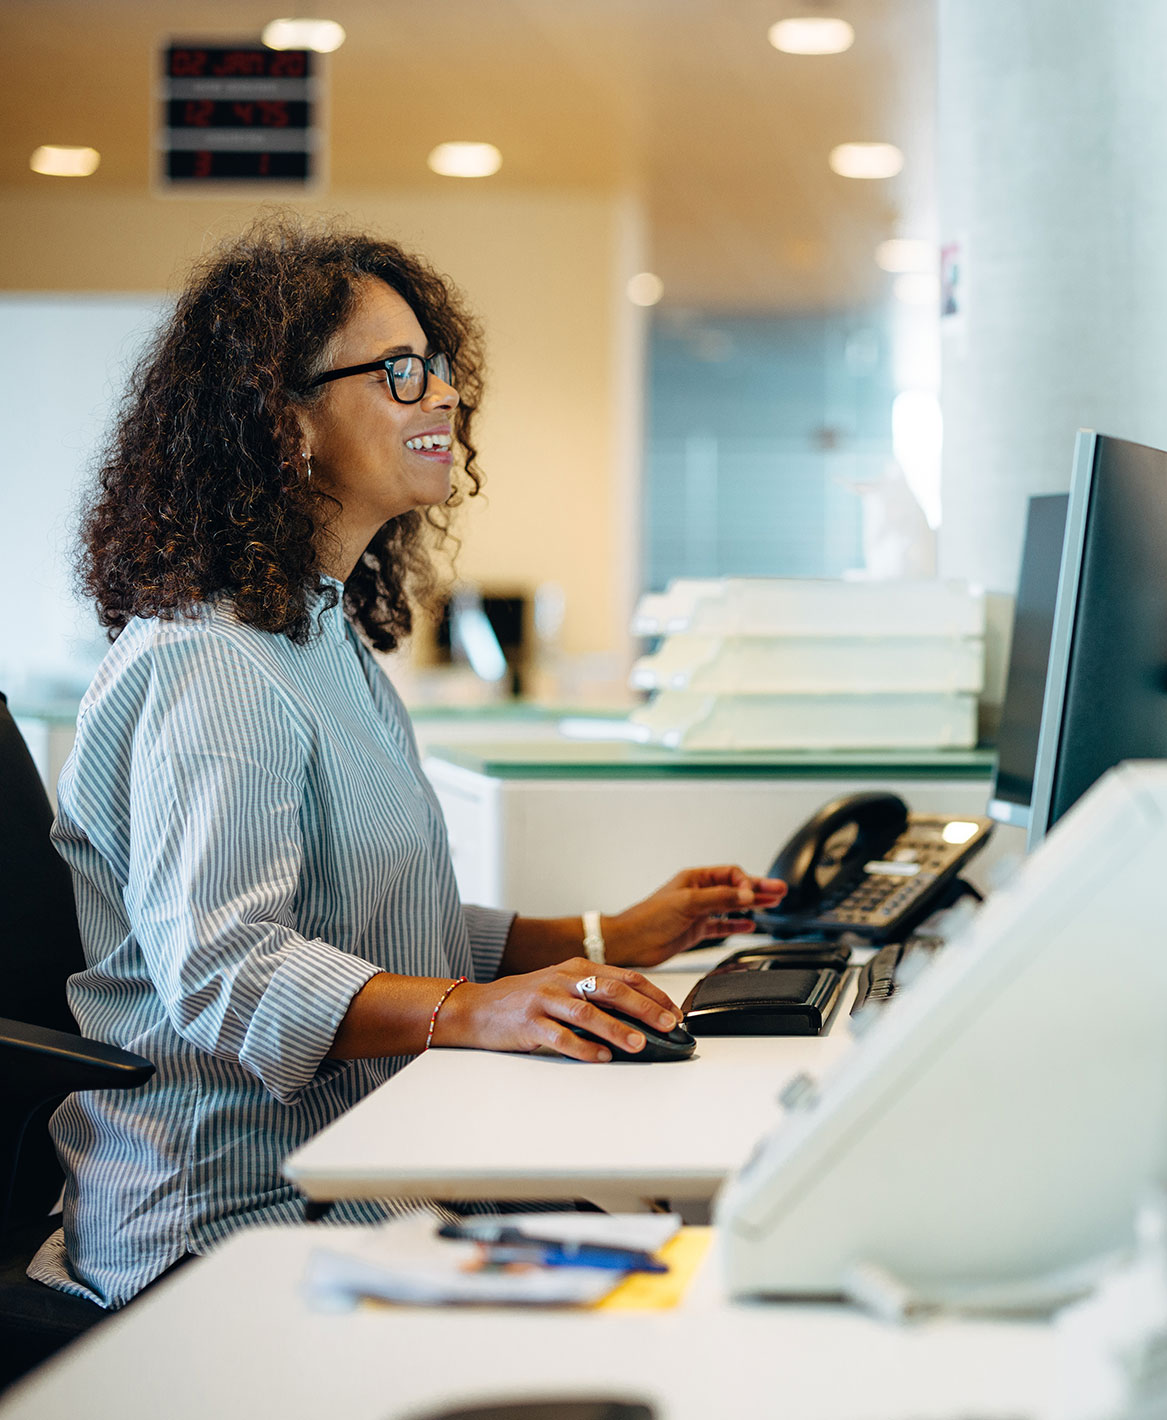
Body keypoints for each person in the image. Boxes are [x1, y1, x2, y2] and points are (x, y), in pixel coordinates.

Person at [37, 218, 788, 1308]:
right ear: (282, 420)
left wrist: (603, 937)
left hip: (369, 1165)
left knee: (671, 1258)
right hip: (232, 1212)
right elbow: (225, 970)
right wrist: (468, 1010)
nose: (441, 397)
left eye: (437, 369)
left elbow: (385, 921)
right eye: (398, 373)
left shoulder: (316, 635)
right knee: (664, 1288)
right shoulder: (210, 663)